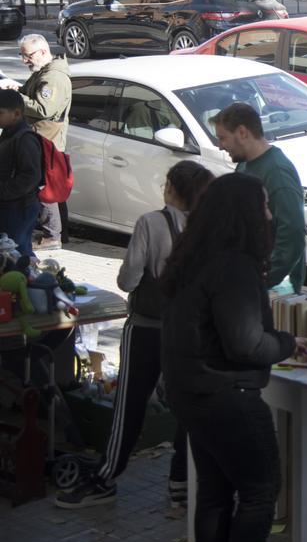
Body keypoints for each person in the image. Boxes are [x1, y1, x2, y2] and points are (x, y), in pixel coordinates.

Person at [55, 161, 215, 509]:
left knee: (130, 406)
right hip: (190, 334)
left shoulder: (152, 223)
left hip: (147, 328)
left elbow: (127, 280)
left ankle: (105, 479)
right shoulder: (209, 228)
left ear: (171, 188)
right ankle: (180, 485)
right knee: (186, 408)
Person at [160, 172, 302, 542]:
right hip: (225, 395)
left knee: (215, 490)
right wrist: (288, 343)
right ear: (245, 215)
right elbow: (246, 344)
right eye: (265, 207)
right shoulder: (233, 266)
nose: (270, 215)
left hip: (190, 390)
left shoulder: (193, 256)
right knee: (260, 491)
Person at [212, 103, 305, 293]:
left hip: (275, 289)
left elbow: (292, 234)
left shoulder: (277, 172)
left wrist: (263, 279)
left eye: (223, 138)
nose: (220, 146)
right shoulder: (246, 165)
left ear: (242, 132)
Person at [0, 33, 71, 249]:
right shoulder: (44, 73)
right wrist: (18, 89)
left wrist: (17, 99)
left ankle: (53, 236)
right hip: (43, 138)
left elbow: (44, 108)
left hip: (47, 139)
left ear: (42, 52)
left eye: (27, 55)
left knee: (46, 187)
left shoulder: (54, 77)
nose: (25, 60)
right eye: (22, 56)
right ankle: (58, 234)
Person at [0, 90, 43, 261]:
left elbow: (30, 176)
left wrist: (3, 191)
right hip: (10, 204)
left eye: (0, 113)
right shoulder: (8, 133)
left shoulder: (25, 139)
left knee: (19, 254)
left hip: (19, 207)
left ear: (16, 114)